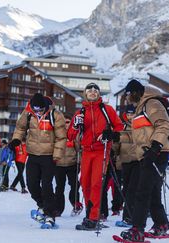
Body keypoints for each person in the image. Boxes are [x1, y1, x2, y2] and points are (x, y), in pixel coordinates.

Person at [118, 79, 169, 241]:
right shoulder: (140, 107)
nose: (126, 98)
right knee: (152, 192)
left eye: (127, 94)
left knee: (141, 192)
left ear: (134, 92)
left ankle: (137, 229)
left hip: (156, 152)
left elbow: (164, 124)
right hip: (147, 154)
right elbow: (134, 135)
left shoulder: (152, 103)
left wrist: (155, 147)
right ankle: (161, 223)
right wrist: (115, 136)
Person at [68, 82, 123, 230]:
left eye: (95, 90)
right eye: (89, 90)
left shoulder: (107, 110)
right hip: (86, 151)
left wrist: (109, 134)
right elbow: (70, 135)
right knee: (85, 183)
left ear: (99, 94)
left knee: (96, 184)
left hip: (101, 150)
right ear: (85, 94)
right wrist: (74, 126)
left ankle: (94, 217)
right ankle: (89, 213)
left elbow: (119, 127)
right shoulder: (80, 113)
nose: (93, 92)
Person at [8, 93, 66, 228]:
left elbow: (61, 137)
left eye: (41, 109)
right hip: (33, 154)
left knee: (46, 185)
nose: (38, 112)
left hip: (48, 156)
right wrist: (16, 139)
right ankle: (42, 205)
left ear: (45, 107)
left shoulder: (55, 115)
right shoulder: (28, 113)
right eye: (36, 109)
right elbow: (20, 128)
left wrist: (56, 155)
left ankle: (50, 214)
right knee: (31, 184)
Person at [115, 104, 138, 227]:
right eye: (128, 114)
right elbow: (117, 143)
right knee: (126, 189)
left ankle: (129, 217)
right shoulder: (122, 127)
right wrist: (114, 151)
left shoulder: (140, 126)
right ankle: (128, 215)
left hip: (137, 160)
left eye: (132, 114)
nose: (130, 117)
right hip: (125, 161)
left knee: (132, 190)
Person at [54, 116, 83, 217]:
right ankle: (58, 209)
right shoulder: (57, 133)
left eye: (68, 122)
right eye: (65, 122)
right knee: (59, 188)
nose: (66, 125)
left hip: (72, 163)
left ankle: (75, 204)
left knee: (75, 185)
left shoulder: (75, 134)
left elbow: (79, 148)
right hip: (59, 164)